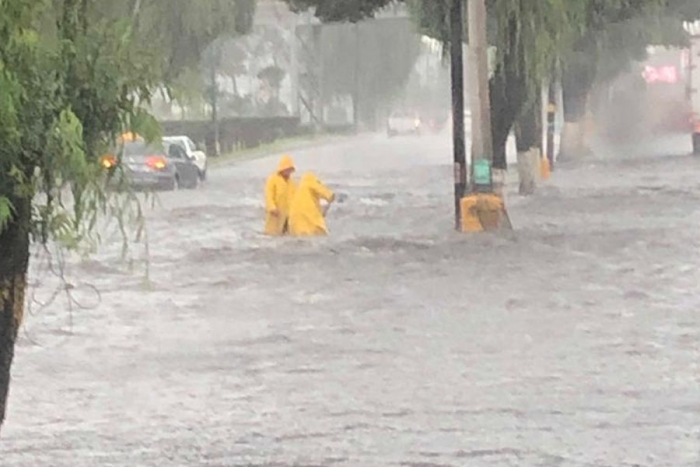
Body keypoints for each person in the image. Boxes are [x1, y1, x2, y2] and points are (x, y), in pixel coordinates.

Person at [289, 172, 335, 236]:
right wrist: (330, 195)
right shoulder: (310, 183)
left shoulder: (299, 188)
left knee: (301, 233)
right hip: (308, 211)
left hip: (295, 215)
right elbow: (321, 189)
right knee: (319, 231)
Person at [264, 155, 296, 236]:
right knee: (273, 235)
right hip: (275, 215)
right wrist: (272, 208)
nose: (288, 172)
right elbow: (269, 195)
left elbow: (297, 198)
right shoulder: (273, 180)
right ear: (282, 169)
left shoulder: (292, 183)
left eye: (290, 170)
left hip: (288, 217)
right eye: (287, 169)